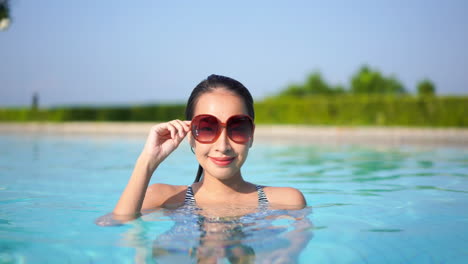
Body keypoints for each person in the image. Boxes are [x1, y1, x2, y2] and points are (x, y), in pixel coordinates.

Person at [113, 74, 306, 220]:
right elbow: (117, 226)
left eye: (237, 128)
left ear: (251, 135)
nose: (222, 146)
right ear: (191, 135)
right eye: (207, 128)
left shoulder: (288, 202)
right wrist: (147, 161)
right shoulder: (163, 198)